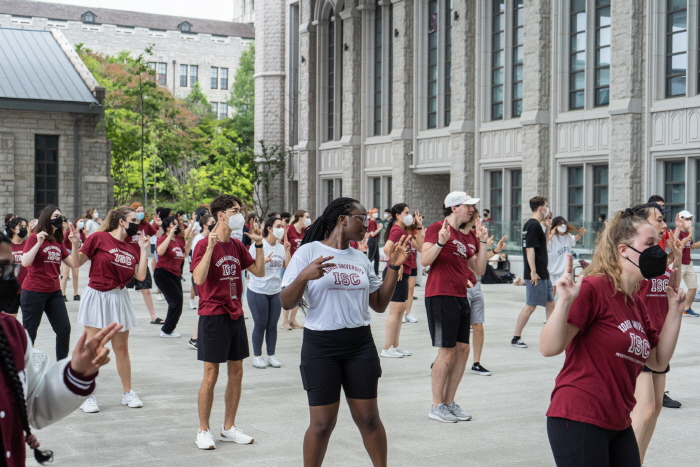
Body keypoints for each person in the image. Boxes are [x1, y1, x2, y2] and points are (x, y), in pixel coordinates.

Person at [541, 209, 686, 467]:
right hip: (579, 416)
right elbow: (549, 347)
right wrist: (563, 302)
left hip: (619, 420)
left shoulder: (635, 302)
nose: (658, 252)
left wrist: (675, 310)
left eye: (658, 244)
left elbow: (657, 361)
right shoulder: (594, 288)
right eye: (649, 244)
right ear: (623, 250)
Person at [280, 197, 410, 466]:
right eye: (362, 218)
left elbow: (379, 304)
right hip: (321, 346)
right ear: (342, 219)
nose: (367, 224)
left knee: (369, 418)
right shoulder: (308, 252)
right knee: (322, 424)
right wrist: (304, 275)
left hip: (359, 344)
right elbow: (286, 301)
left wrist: (394, 266)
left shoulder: (360, 257)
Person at [0, 232, 124, 466]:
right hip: (36, 293)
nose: (7, 277)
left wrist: (76, 372)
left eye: (9, 267)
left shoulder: (12, 333)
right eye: (1, 268)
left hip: (52, 292)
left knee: (63, 329)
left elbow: (33, 409)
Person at [191, 194, 267, 450]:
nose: (240, 214)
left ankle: (228, 427)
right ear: (221, 215)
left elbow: (258, 271)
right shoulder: (202, 244)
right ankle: (203, 430)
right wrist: (211, 247)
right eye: (235, 210)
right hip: (213, 314)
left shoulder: (236, 245)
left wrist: (258, 244)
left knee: (237, 371)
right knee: (211, 374)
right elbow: (199, 280)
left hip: (235, 313)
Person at [71, 206, 151, 413]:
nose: (137, 222)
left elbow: (140, 276)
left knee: (121, 349)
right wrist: (74, 243)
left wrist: (143, 249)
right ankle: (87, 394)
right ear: (121, 221)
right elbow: (77, 262)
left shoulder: (132, 245)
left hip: (119, 297)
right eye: (133, 219)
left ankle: (128, 392)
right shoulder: (99, 238)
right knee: (93, 348)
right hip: (97, 295)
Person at [421, 191, 487, 423]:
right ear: (453, 208)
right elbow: (425, 260)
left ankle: (449, 402)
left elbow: (479, 269)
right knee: (446, 352)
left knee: (463, 350)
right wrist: (440, 241)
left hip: (461, 295)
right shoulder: (438, 228)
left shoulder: (468, 237)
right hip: (440, 294)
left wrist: (484, 241)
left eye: (472, 206)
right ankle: (436, 405)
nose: (471, 210)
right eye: (467, 206)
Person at [628, 203, 683, 464]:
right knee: (645, 409)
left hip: (660, 339)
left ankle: (636, 460)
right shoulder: (638, 258)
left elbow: (671, 287)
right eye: (659, 220)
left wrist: (678, 258)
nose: (664, 225)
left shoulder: (659, 255)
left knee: (656, 408)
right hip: (642, 339)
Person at [20, 206, 77, 360]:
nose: (60, 218)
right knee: (30, 333)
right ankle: (24, 370)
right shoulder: (34, 238)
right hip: (33, 291)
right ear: (47, 218)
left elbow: (74, 264)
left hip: (54, 292)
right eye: (56, 215)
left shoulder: (58, 242)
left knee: (64, 329)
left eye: (60, 215)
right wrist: (38, 243)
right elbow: (25, 262)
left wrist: (75, 243)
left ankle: (61, 367)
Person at [459, 210, 505, 376]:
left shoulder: (475, 236)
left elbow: (479, 259)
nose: (479, 220)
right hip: (460, 286)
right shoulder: (458, 235)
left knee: (478, 325)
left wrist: (496, 250)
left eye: (479, 217)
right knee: (457, 328)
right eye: (476, 217)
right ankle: (443, 358)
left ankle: (476, 363)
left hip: (475, 285)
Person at [380, 203, 423, 358]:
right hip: (396, 273)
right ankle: (386, 348)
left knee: (400, 312)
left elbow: (420, 246)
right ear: (398, 215)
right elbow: (387, 248)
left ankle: (395, 345)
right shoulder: (397, 230)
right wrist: (396, 264)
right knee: (395, 312)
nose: (409, 215)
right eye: (406, 212)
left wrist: (419, 227)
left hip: (404, 273)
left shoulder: (405, 230)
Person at [247, 217, 290, 369]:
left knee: (272, 325)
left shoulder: (279, 247)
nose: (282, 229)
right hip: (258, 290)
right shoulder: (259, 245)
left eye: (284, 226)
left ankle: (271, 355)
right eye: (279, 226)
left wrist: (287, 250)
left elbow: (287, 266)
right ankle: (257, 356)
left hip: (275, 291)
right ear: (270, 228)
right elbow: (248, 265)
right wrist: (262, 261)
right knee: (260, 324)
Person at [512, 196, 554, 348]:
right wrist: (533, 271)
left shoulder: (535, 225)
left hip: (543, 271)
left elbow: (543, 244)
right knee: (531, 305)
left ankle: (551, 335)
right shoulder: (532, 225)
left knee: (550, 302)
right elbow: (529, 249)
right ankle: (516, 337)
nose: (547, 209)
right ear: (541, 208)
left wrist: (548, 228)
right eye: (546, 206)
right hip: (537, 273)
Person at [154, 215, 193, 338]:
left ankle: (168, 330)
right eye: (173, 224)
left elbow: (184, 254)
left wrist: (190, 239)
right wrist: (169, 236)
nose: (176, 226)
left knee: (178, 302)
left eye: (177, 224)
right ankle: (166, 330)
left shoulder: (179, 239)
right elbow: (159, 252)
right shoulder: (163, 238)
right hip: (163, 273)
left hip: (175, 274)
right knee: (175, 302)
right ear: (167, 227)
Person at [125, 202, 163, 324]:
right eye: (138, 211)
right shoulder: (127, 225)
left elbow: (158, 235)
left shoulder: (145, 225)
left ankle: (153, 316)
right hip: (126, 261)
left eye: (142, 211)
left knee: (145, 289)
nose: (141, 213)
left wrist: (159, 225)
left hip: (140, 261)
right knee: (122, 289)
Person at [187, 214, 216, 349]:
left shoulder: (211, 238)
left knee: (203, 305)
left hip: (208, 274)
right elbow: (196, 259)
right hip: (199, 273)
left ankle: (196, 337)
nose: (214, 224)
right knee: (203, 305)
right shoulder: (200, 239)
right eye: (212, 222)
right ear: (205, 225)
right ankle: (195, 337)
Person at [282, 210, 310, 331]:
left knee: (300, 293)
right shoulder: (289, 229)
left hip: (301, 265)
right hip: (289, 265)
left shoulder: (304, 231)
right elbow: (282, 244)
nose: (308, 219)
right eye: (306, 217)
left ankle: (293, 320)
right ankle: (285, 321)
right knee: (289, 292)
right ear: (300, 218)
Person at [547, 217, 586, 296]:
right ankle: (551, 307)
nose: (563, 226)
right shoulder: (552, 238)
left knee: (566, 293)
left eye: (564, 223)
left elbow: (573, 240)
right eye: (560, 224)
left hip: (565, 270)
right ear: (555, 226)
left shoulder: (567, 236)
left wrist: (580, 234)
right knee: (552, 293)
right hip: (553, 270)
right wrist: (550, 235)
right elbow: (544, 246)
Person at [673, 210, 700, 316]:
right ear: (681, 219)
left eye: (690, 219)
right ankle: (671, 309)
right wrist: (690, 235)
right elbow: (680, 245)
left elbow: (692, 246)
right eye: (687, 219)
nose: (689, 221)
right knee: (675, 287)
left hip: (688, 263)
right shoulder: (677, 232)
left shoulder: (688, 233)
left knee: (693, 286)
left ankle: (687, 308)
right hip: (679, 263)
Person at [3, 217, 28, 316]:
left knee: (30, 322)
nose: (23, 229)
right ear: (13, 229)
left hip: (27, 289)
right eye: (20, 226)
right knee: (11, 322)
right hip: (11, 290)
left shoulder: (29, 244)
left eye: (25, 226)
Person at [60, 218, 85, 302]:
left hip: (76, 253)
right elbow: (63, 242)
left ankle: (76, 294)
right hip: (68, 252)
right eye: (80, 221)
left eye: (83, 222)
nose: (82, 223)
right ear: (76, 222)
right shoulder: (68, 232)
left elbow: (84, 244)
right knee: (65, 275)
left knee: (76, 275)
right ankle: (63, 294)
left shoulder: (82, 234)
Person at [366, 208, 383, 276]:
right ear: (371, 214)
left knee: (376, 258)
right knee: (371, 257)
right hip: (373, 240)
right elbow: (372, 234)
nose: (376, 214)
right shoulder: (372, 222)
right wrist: (380, 228)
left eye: (376, 212)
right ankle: (368, 272)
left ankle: (376, 273)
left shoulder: (372, 222)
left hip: (374, 240)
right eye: (374, 212)